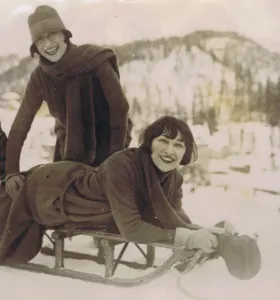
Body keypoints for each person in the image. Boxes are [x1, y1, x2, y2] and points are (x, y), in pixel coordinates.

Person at [0, 116, 260, 279]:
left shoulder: (174, 178)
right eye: (164, 141)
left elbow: (174, 219)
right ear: (149, 144)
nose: (170, 151)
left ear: (186, 153)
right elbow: (132, 228)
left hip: (75, 189)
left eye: (179, 145)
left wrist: (213, 232)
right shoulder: (123, 166)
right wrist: (190, 237)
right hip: (51, 192)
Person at [4, 5, 132, 199]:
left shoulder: (95, 60)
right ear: (35, 48)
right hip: (71, 144)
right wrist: (11, 171)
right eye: (40, 40)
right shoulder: (40, 77)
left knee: (108, 196)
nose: (48, 44)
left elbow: (119, 109)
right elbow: (21, 124)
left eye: (52, 34)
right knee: (62, 199)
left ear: (64, 35)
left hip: (110, 138)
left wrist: (114, 160)